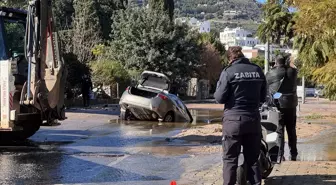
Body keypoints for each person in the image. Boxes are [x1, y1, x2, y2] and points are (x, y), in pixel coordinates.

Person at [214, 46, 267, 185]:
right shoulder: (257, 70)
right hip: (253, 119)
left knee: (230, 159)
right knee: (253, 159)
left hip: (233, 121)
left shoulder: (228, 72)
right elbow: (263, 97)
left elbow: (219, 98)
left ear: (230, 58)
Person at [266, 55, 298, 161]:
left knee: (280, 130)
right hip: (291, 104)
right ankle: (293, 153)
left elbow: (266, 84)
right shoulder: (293, 72)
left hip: (278, 105)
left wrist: (273, 68)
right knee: (291, 130)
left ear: (275, 62)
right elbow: (293, 68)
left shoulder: (271, 73)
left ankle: (280, 154)